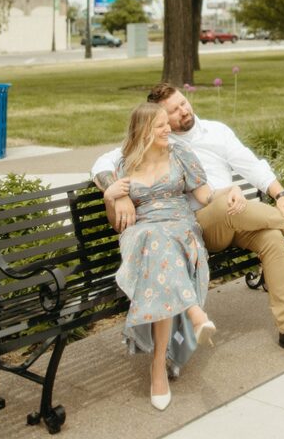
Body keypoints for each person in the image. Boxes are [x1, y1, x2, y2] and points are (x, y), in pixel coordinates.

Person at [92, 82, 284, 363]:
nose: (183, 111)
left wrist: (280, 194)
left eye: (183, 103)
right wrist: (117, 193)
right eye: (173, 111)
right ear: (160, 121)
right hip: (199, 226)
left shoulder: (216, 131)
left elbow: (252, 165)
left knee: (271, 238)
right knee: (225, 206)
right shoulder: (162, 142)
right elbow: (104, 161)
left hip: (239, 213)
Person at [100, 102, 220, 411]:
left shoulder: (180, 155)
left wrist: (227, 196)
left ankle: (157, 367)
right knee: (154, 239)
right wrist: (111, 196)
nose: (169, 128)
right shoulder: (124, 166)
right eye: (160, 126)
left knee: (162, 251)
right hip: (140, 236)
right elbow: (117, 224)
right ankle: (195, 314)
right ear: (143, 131)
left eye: (167, 123)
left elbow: (205, 195)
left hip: (181, 230)